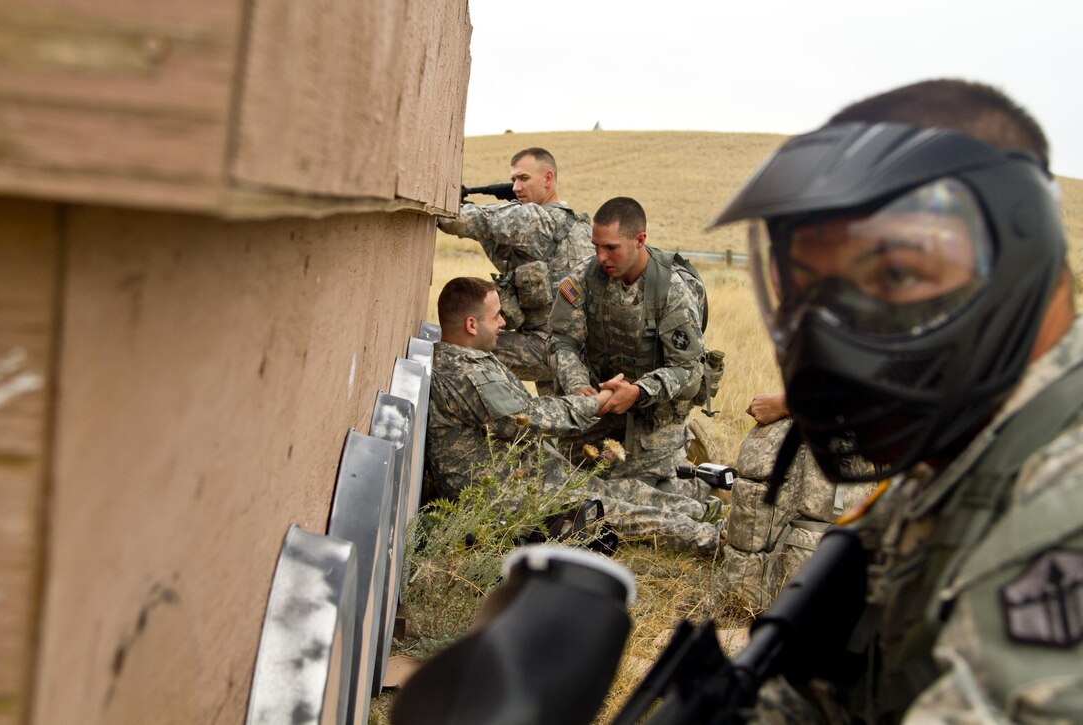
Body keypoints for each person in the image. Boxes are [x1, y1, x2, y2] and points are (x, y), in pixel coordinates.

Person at [711, 79, 1082, 722]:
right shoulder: (961, 445)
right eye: (808, 289)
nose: (831, 334)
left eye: (897, 276)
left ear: (1020, 258)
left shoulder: (1062, 499)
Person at [425, 277, 723, 555]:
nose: (503, 322)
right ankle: (715, 539)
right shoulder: (461, 374)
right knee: (614, 511)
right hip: (510, 500)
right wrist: (595, 403)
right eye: (496, 316)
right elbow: (527, 419)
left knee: (623, 490)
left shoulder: (472, 361)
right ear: (471, 325)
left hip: (533, 478)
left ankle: (702, 510)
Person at [547, 197, 708, 500]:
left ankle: (697, 484)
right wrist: (578, 384)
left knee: (624, 493)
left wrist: (638, 392)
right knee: (563, 475)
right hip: (602, 406)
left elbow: (689, 370)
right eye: (596, 246)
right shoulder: (585, 277)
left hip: (654, 416)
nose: (601, 256)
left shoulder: (671, 290)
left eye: (611, 248)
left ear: (640, 240)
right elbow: (560, 339)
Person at [438, 148, 593, 391]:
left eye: (524, 178)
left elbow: (453, 220)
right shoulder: (579, 225)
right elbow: (493, 237)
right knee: (564, 423)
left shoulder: (535, 219)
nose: (515, 188)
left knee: (459, 343)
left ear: (548, 179)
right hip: (575, 350)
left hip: (549, 346)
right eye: (513, 180)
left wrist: (443, 201)